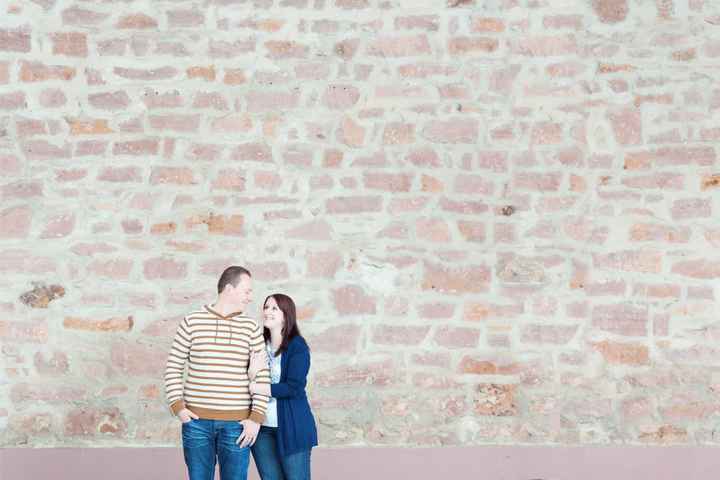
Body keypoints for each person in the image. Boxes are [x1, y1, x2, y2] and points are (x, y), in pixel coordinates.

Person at [164, 266, 271, 480]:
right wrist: (179, 408)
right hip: (196, 424)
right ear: (229, 289)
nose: (250, 297)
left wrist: (255, 419)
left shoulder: (251, 328)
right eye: (247, 291)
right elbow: (173, 367)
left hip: (237, 425)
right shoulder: (192, 322)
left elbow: (262, 376)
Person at [247, 293, 318, 480]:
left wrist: (256, 387)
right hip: (262, 429)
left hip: (292, 427)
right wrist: (251, 375)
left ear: (287, 315)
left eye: (274, 308)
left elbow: (293, 388)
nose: (267, 312)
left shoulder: (297, 347)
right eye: (266, 307)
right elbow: (242, 380)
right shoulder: (258, 344)